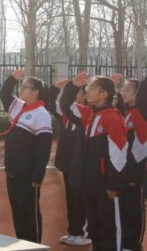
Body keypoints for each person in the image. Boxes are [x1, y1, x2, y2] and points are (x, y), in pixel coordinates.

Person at [62, 72, 127, 251]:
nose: (87, 90)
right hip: (89, 183)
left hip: (106, 185)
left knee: (109, 229)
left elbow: (119, 153)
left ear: (104, 94)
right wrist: (72, 86)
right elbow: (66, 106)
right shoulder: (89, 114)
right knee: (95, 228)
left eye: (92, 87)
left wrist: (113, 184)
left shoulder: (112, 117)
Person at [0, 68, 52, 243]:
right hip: (12, 171)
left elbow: (44, 148)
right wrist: (13, 79)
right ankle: (21, 243)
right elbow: (4, 93)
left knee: (29, 214)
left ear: (35, 92)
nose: (20, 89)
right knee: (18, 212)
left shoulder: (42, 114)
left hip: (28, 175)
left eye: (25, 87)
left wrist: (38, 174)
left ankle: (33, 245)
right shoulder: (17, 106)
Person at [50, 79, 91, 246]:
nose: (76, 95)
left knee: (80, 199)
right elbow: (51, 104)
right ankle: (73, 231)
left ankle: (83, 232)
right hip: (68, 164)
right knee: (71, 198)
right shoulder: (69, 112)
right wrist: (54, 89)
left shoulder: (87, 112)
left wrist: (71, 86)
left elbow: (65, 103)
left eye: (79, 92)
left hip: (81, 165)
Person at [119, 76, 147, 251]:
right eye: (124, 89)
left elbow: (142, 146)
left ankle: (133, 243)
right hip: (122, 171)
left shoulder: (139, 115)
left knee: (134, 208)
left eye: (128, 90)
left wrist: (135, 174)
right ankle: (124, 241)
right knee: (123, 207)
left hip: (133, 172)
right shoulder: (124, 114)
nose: (124, 93)